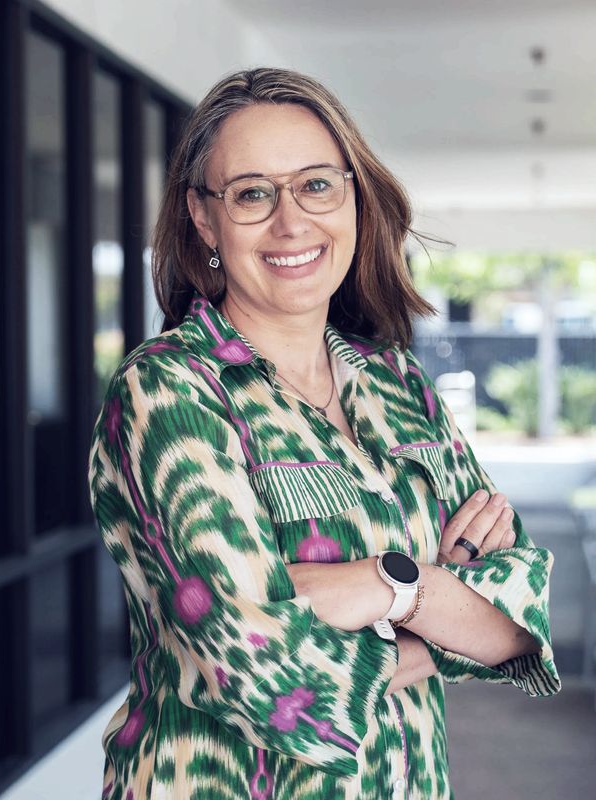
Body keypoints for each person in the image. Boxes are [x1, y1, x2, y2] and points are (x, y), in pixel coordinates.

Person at [88, 67, 560, 800]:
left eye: (316, 185)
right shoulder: (169, 391)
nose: (291, 222)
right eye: (252, 194)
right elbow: (262, 674)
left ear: (353, 197)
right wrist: (433, 594)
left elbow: (520, 618)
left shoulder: (398, 384)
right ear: (204, 218)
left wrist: (394, 589)